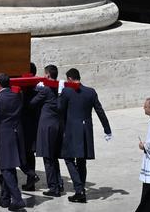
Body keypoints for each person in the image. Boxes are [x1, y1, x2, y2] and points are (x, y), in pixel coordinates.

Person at [58, 68, 111, 204]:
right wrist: (107, 129)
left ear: (69, 79)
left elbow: (60, 109)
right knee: (81, 161)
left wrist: (59, 94)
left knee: (68, 158)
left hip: (71, 131)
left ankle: (79, 189)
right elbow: (100, 111)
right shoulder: (90, 92)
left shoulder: (67, 91)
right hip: (86, 130)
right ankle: (80, 190)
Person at [0, 73, 27, 211]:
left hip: (4, 137)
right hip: (16, 134)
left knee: (5, 168)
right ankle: (4, 199)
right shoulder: (17, 96)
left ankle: (18, 199)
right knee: (9, 167)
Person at [29, 64, 65, 197]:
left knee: (48, 158)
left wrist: (36, 90)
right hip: (57, 125)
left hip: (47, 126)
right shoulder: (59, 88)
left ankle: (53, 187)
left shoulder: (46, 90)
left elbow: (32, 103)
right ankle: (59, 183)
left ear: (48, 75)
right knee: (54, 157)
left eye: (45, 74)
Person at [20, 62, 40, 191]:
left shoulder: (25, 89)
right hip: (34, 125)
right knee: (29, 154)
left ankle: (31, 175)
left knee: (20, 154)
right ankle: (30, 181)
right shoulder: (39, 88)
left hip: (24, 126)